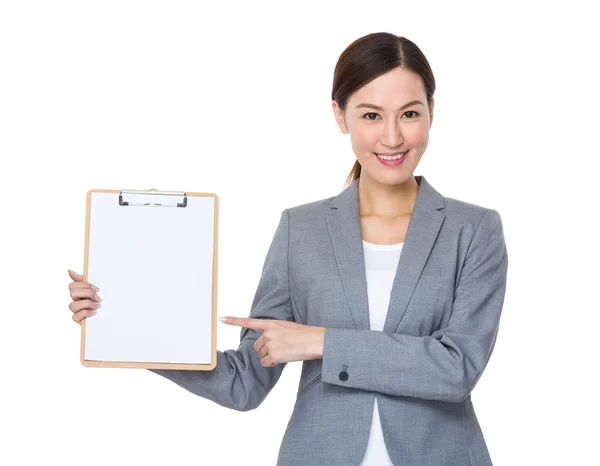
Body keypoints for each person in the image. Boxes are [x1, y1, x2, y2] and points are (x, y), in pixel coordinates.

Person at [68, 32, 508, 466]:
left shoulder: (474, 230)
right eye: (371, 115)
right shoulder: (302, 229)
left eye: (409, 113)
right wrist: (126, 323)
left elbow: (456, 369)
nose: (392, 137)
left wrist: (320, 342)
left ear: (431, 111)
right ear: (341, 116)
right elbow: (244, 383)